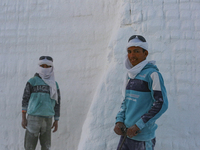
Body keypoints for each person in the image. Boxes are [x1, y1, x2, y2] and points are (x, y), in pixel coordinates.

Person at [114, 35, 168, 150]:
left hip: (143, 138)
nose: (132, 55)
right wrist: (119, 121)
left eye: (136, 51)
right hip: (126, 135)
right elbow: (126, 101)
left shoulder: (152, 74)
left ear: (145, 53)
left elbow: (161, 104)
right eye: (129, 51)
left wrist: (138, 125)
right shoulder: (130, 75)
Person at [21, 56, 61, 150]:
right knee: (29, 147)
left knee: (46, 147)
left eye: (47, 66)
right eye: (42, 66)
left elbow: (57, 102)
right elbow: (25, 99)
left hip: (48, 120)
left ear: (51, 67)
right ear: (39, 66)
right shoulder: (32, 81)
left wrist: (56, 120)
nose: (45, 68)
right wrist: (23, 117)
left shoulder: (55, 85)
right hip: (33, 119)